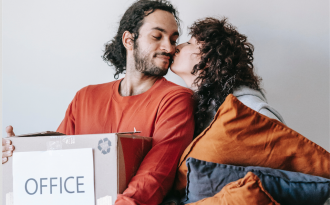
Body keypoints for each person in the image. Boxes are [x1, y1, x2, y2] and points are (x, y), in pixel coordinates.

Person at [2, 1, 195, 205]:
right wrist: (20, 157)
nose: (169, 47)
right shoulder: (85, 97)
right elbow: (56, 162)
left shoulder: (176, 99)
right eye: (157, 36)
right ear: (129, 40)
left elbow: (155, 176)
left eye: (173, 39)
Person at [171, 17, 285, 138]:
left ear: (209, 58)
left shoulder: (250, 110)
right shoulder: (196, 109)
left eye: (189, 43)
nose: (176, 47)